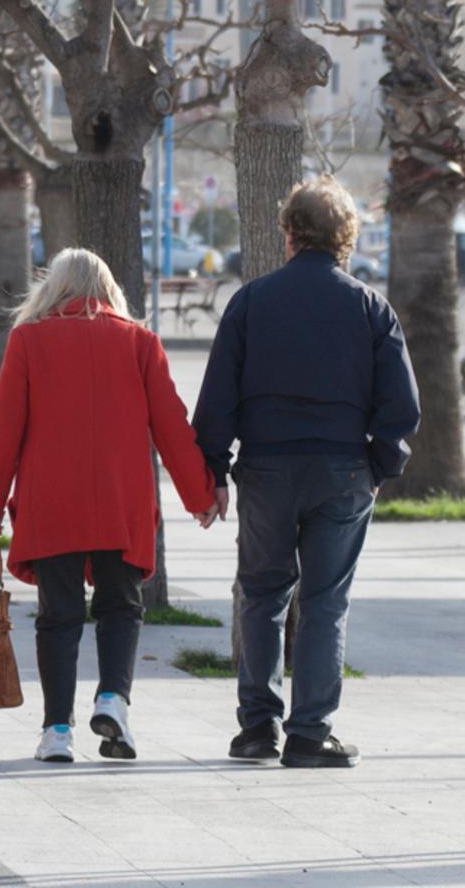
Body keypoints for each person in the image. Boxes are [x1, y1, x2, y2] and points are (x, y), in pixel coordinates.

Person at [193, 177, 420, 769]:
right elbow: (402, 407)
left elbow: (217, 399)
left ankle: (257, 729)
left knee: (263, 594)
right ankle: (310, 732)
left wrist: (214, 469)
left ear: (289, 233)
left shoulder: (250, 301)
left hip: (266, 467)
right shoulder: (370, 307)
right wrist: (378, 465)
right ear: (344, 238)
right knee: (325, 602)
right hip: (343, 469)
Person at [0, 248, 218, 765]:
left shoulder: (28, 341)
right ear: (110, 291)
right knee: (121, 606)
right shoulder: (139, 343)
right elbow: (172, 428)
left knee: (58, 616)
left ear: (53, 290)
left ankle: (57, 732)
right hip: (120, 503)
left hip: (52, 503)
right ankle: (113, 701)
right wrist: (199, 494)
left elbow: (4, 431)